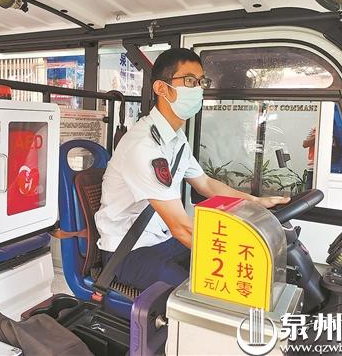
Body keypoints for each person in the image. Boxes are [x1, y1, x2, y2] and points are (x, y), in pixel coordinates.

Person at [94, 48, 290, 291]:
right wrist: (236, 254)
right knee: (205, 292)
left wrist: (255, 202)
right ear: (161, 88)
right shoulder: (143, 146)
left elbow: (205, 184)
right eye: (189, 81)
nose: (198, 89)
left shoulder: (175, 139)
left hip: (163, 240)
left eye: (201, 82)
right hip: (129, 252)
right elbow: (180, 226)